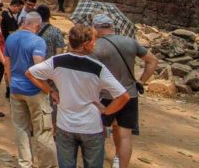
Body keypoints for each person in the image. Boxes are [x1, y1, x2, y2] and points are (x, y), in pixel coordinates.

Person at [28, 25, 131, 168]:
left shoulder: (57, 61)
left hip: (65, 125)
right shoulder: (97, 68)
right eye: (94, 41)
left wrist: (51, 91)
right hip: (91, 126)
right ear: (86, 44)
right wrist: (106, 111)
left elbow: (31, 73)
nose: (95, 44)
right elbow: (124, 96)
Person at [92, 14, 159, 168]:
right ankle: (120, 163)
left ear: (96, 28)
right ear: (112, 27)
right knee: (125, 135)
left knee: (97, 132)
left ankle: (96, 162)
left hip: (104, 96)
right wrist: (141, 81)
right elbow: (153, 61)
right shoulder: (130, 42)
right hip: (129, 94)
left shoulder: (95, 46)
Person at [5, 11, 56, 168]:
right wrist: (49, 89)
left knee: (21, 128)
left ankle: (25, 163)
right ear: (37, 25)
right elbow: (38, 68)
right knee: (43, 130)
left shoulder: (11, 38)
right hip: (35, 90)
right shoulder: (38, 42)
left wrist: (9, 84)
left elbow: (7, 65)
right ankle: (46, 165)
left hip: (16, 88)